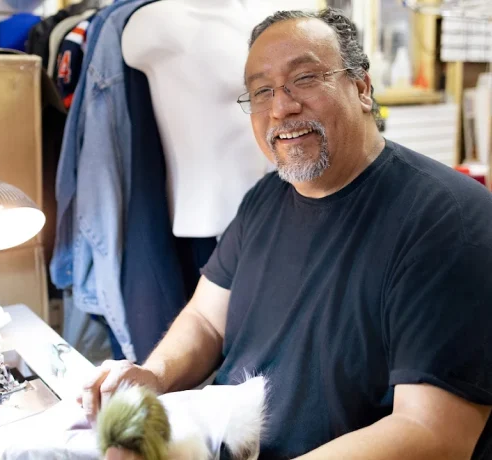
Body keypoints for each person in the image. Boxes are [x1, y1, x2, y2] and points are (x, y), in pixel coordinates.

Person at [79, 8, 492, 459]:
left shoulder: (449, 220)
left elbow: (433, 434)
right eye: (261, 91)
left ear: (361, 88)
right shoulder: (265, 198)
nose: (281, 107)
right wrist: (154, 375)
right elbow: (205, 320)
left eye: (306, 79)